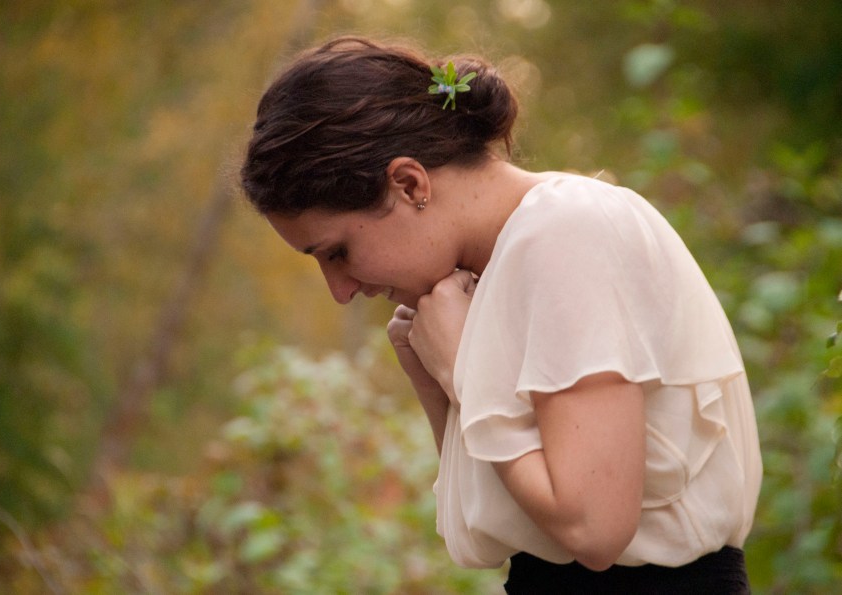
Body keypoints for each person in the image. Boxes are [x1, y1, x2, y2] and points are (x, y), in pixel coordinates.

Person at [241, 35, 762, 594]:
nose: (340, 291)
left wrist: (464, 371)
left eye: (337, 252)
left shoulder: (565, 231)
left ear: (409, 183)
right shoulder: (502, 265)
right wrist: (438, 377)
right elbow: (506, 523)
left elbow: (594, 528)